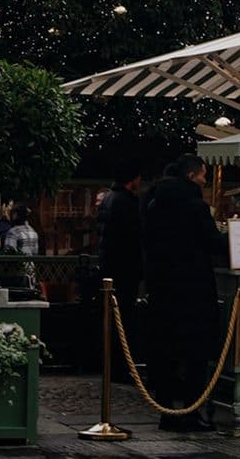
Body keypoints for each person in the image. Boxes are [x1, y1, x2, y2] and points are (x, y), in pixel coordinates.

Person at [143, 153, 227, 432]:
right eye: (204, 175)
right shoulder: (195, 207)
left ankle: (166, 411)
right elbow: (214, 243)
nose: (205, 181)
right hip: (192, 290)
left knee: (166, 351)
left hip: (162, 287)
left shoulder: (155, 203)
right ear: (192, 177)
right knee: (195, 354)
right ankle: (191, 412)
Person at [97, 159, 143, 381]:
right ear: (132, 180)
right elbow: (132, 238)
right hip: (124, 268)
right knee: (123, 319)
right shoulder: (126, 202)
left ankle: (112, 366)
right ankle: (120, 368)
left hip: (110, 266)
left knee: (114, 319)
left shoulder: (109, 199)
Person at [3, 204, 40, 296]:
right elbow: (35, 252)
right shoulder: (33, 231)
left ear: (15, 215)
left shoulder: (13, 232)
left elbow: (9, 251)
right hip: (31, 272)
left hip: (16, 273)